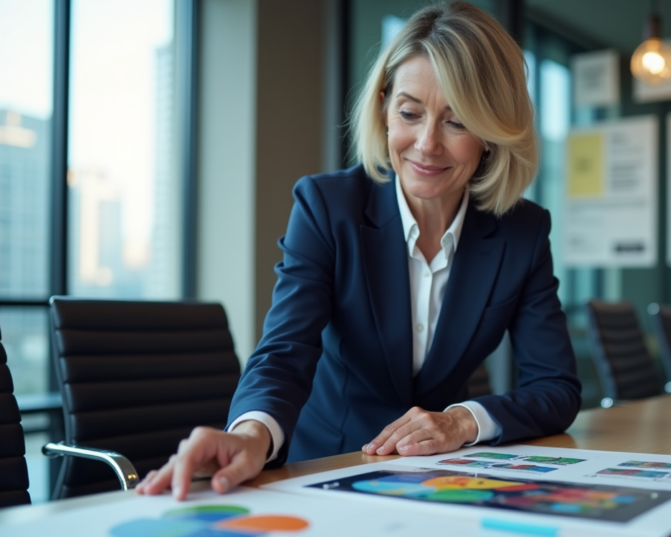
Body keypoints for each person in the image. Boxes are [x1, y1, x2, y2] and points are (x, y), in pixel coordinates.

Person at [138, 1, 581, 501]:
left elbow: (556, 388)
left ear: (491, 135)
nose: (426, 144)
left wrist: (462, 421)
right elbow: (285, 350)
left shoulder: (521, 231)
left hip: (442, 480)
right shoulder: (328, 206)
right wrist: (251, 435)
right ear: (385, 110)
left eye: (457, 123)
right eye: (410, 113)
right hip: (324, 471)